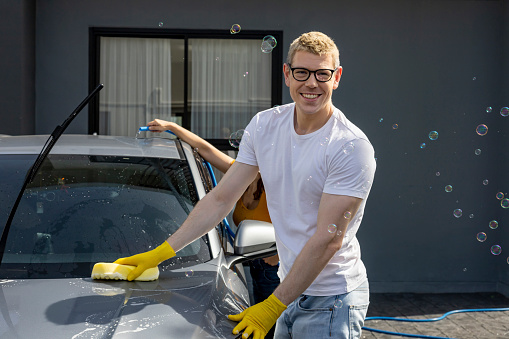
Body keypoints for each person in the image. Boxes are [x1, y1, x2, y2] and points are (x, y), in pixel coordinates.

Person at [115, 31, 376, 339]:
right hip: (289, 289)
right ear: (287, 74)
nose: (312, 83)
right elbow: (221, 198)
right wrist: (161, 252)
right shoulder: (265, 126)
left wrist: (271, 306)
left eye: (323, 74)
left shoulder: (349, 146)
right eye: (302, 72)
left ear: (337, 77)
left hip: (332, 299)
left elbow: (329, 238)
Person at [145, 119, 280, 338]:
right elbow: (206, 149)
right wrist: (172, 127)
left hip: (276, 268)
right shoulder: (243, 173)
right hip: (255, 261)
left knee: (275, 331)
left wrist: (278, 251)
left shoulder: (281, 184)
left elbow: (303, 221)